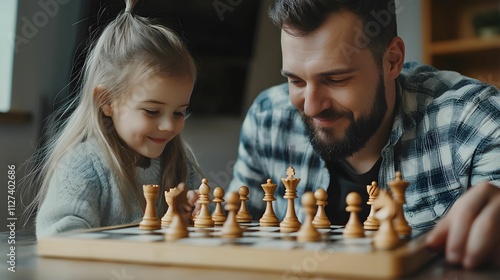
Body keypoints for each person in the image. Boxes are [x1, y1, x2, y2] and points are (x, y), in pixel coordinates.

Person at [228, 0, 500, 269]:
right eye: (296, 81)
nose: (311, 106)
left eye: (335, 79)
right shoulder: (268, 120)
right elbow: (231, 233)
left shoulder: (472, 118)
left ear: (392, 60)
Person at [24, 0, 202, 238]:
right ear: (107, 101)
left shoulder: (179, 163)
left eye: (179, 112)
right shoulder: (82, 167)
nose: (169, 126)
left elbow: (205, 222)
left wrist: (195, 213)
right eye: (152, 111)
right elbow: (59, 239)